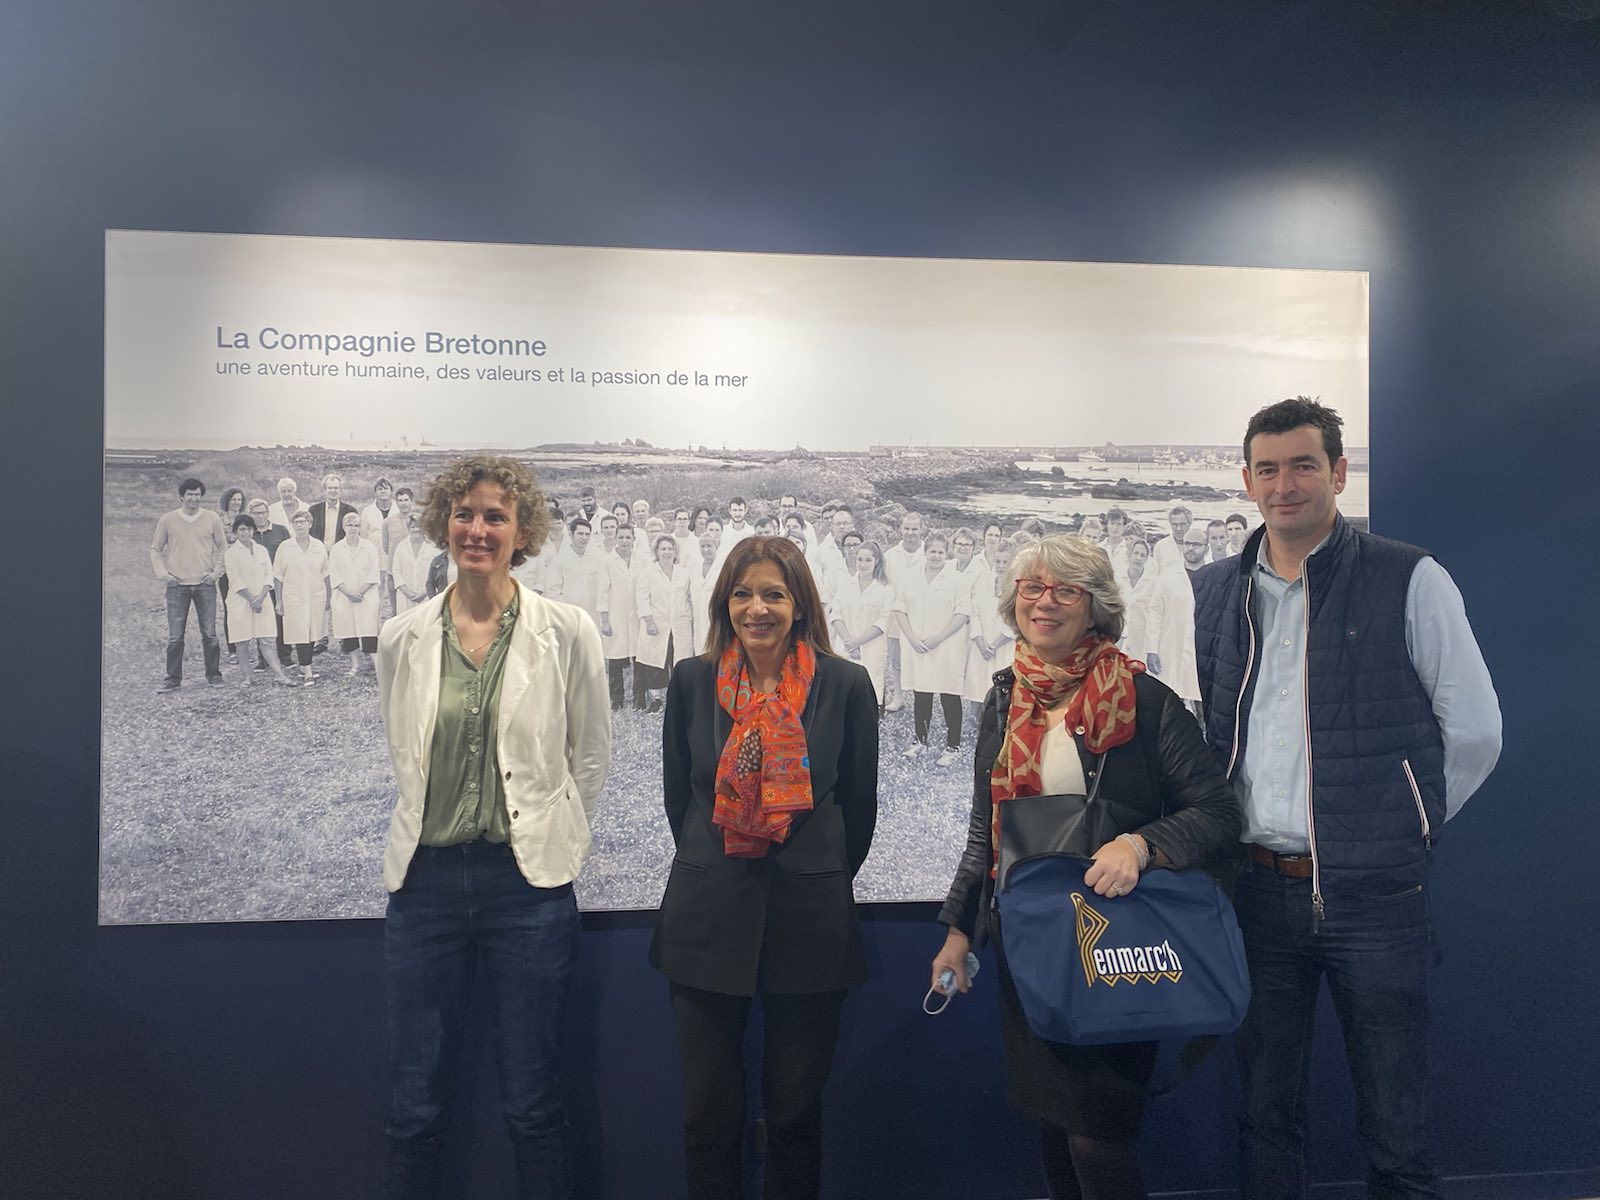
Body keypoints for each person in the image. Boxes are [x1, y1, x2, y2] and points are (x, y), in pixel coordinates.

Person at [1191, 398, 1501, 1200]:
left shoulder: (1409, 576)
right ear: (1248, 480)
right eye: (1267, 468)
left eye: (1302, 465)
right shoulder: (1216, 592)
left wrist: (1406, 827)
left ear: (1338, 471)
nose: (1284, 484)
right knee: (1264, 1116)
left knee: (1396, 1128)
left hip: (1377, 898)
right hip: (1256, 893)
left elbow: (1474, 729)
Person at [932, 534, 1241, 1200]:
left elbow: (1218, 813)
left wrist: (1141, 846)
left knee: (1099, 1133)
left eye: (1065, 589)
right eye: (1032, 588)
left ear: (1095, 606)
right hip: (1031, 943)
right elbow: (985, 834)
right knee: (1052, 1120)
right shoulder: (1006, 697)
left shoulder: (1145, 700)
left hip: (1115, 945)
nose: (1045, 602)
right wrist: (960, 932)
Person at [376, 454, 610, 1199]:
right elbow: (403, 753)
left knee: (533, 1101)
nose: (478, 529)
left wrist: (558, 842)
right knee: (416, 1103)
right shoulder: (401, 637)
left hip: (527, 890)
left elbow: (592, 755)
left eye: (495, 516)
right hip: (426, 889)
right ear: (444, 523)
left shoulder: (566, 631)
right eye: (465, 514)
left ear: (523, 530)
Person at [651, 536, 879, 1200]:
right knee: (707, 1121)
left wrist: (814, 871)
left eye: (774, 594)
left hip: (810, 924)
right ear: (726, 602)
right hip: (706, 919)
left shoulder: (845, 686)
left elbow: (858, 811)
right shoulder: (693, 681)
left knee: (794, 1120)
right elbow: (680, 799)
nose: (757, 608)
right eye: (743, 593)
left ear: (800, 605)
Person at [894, 530, 970, 767]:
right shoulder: (910, 577)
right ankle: (920, 741)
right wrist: (912, 638)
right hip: (918, 644)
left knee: (949, 693)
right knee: (922, 693)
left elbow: (962, 614)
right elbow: (899, 609)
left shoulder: (957, 579)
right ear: (925, 552)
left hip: (946, 644)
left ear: (947, 554)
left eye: (941, 551)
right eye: (932, 551)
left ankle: (952, 745)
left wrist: (938, 638)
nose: (936, 555)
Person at [150, 477, 227, 692]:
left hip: (205, 584)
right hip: (177, 586)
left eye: (197, 494)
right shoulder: (168, 519)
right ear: (182, 496)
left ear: (201, 496)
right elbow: (155, 549)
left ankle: (214, 675)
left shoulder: (212, 518)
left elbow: (223, 548)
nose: (193, 498)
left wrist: (215, 574)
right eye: (189, 494)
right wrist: (165, 575)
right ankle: (172, 679)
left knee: (210, 634)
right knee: (176, 636)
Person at [221, 515, 293, 686]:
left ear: (253, 530)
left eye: (249, 529)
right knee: (242, 641)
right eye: (242, 529)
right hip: (240, 601)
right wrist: (252, 599)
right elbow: (235, 580)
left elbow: (269, 575)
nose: (246, 532)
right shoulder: (231, 553)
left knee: (267, 639)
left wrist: (260, 598)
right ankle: (247, 677)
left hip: (263, 599)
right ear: (236, 532)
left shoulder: (261, 550)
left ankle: (279, 675)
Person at [827, 538, 892, 707]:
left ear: (876, 561)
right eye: (860, 559)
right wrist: (849, 641)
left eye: (868, 560)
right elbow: (836, 615)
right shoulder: (846, 584)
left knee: (867, 697)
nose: (863, 564)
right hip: (845, 647)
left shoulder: (885, 589)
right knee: (843, 696)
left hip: (870, 648)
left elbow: (883, 621)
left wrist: (858, 642)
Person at [635, 534, 692, 712]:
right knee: (656, 661)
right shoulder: (648, 573)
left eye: (670, 549)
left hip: (680, 624)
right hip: (656, 624)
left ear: (675, 552)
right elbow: (642, 598)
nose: (667, 552)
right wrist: (648, 621)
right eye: (663, 549)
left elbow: (690, 598)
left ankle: (679, 699)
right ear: (656, 551)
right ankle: (656, 700)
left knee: (679, 662)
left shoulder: (684, 573)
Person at [272, 508, 329, 686]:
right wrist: (279, 600)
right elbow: (278, 575)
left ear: (309, 524)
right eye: (296, 522)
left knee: (313, 631)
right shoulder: (285, 547)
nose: (300, 525)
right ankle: (308, 670)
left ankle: (305, 665)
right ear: (292, 525)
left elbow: (326, 573)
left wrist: (328, 597)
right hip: (293, 597)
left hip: (315, 595)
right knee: (300, 632)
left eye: (303, 521)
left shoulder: (319, 546)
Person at [329, 509, 381, 676]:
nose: (353, 528)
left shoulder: (369, 547)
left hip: (366, 596)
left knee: (369, 630)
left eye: (356, 525)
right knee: (348, 631)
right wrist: (349, 593)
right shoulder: (337, 549)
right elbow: (334, 574)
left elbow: (374, 573)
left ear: (361, 527)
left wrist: (360, 592)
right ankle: (355, 665)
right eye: (349, 525)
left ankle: (377, 665)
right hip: (344, 597)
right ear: (344, 527)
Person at [597, 523, 640, 710]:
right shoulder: (608, 561)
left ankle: (639, 696)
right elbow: (602, 592)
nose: (624, 541)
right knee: (615, 657)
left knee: (639, 657)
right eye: (621, 537)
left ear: (633, 539)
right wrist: (605, 620)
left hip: (636, 614)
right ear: (615, 538)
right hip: (616, 614)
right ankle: (617, 698)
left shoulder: (642, 559)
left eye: (627, 537)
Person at [390, 514, 432, 617]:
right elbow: (396, 571)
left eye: (418, 526)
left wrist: (425, 592)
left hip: (426, 596)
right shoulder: (401, 547)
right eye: (413, 527)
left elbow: (435, 573)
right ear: (408, 529)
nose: (416, 530)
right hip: (405, 597)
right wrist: (406, 592)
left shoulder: (432, 547)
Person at [1150, 505, 1193, 575]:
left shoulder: (1198, 545)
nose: (1178, 528)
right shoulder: (1160, 546)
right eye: (1175, 524)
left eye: (1182, 524)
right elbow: (1155, 574)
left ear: (1189, 523)